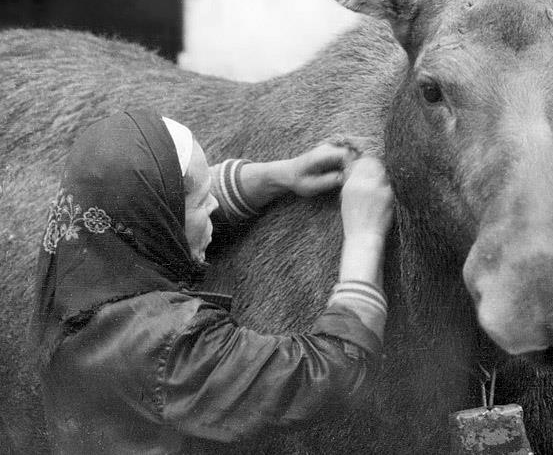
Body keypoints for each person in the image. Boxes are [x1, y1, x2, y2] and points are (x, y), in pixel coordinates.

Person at [32, 109, 394, 453]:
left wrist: (280, 175)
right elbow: (327, 374)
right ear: (160, 214)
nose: (213, 208)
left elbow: (168, 207)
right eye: (203, 201)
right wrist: (366, 234)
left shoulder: (74, 251)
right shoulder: (166, 345)